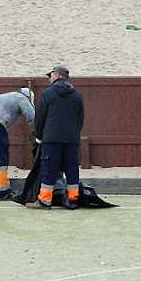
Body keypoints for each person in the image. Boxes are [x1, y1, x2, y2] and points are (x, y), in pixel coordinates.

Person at [27, 65, 84, 210]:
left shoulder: (48, 94)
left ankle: (45, 201)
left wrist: (39, 136)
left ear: (57, 75)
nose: (49, 79)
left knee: (49, 168)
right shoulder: (77, 95)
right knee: (72, 168)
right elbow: (80, 117)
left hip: (52, 139)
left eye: (50, 75)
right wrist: (74, 134)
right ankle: (73, 200)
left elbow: (39, 117)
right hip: (71, 139)